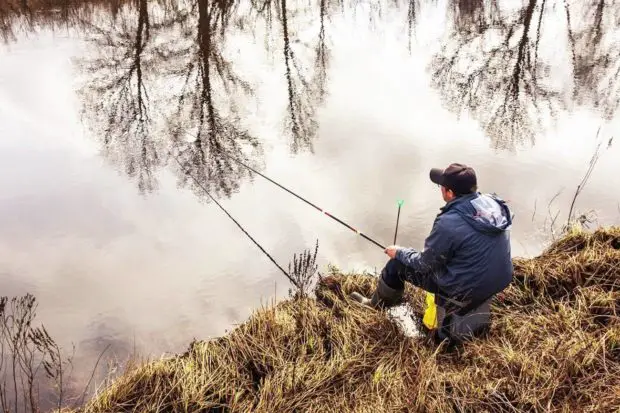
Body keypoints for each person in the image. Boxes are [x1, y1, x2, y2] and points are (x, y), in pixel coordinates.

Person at [350, 163, 514, 343]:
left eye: (441, 187)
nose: (440, 189)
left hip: (464, 289)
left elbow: (425, 264)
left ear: (449, 193)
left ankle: (375, 306)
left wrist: (398, 252)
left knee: (396, 265)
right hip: (499, 279)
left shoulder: (449, 222)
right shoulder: (492, 205)